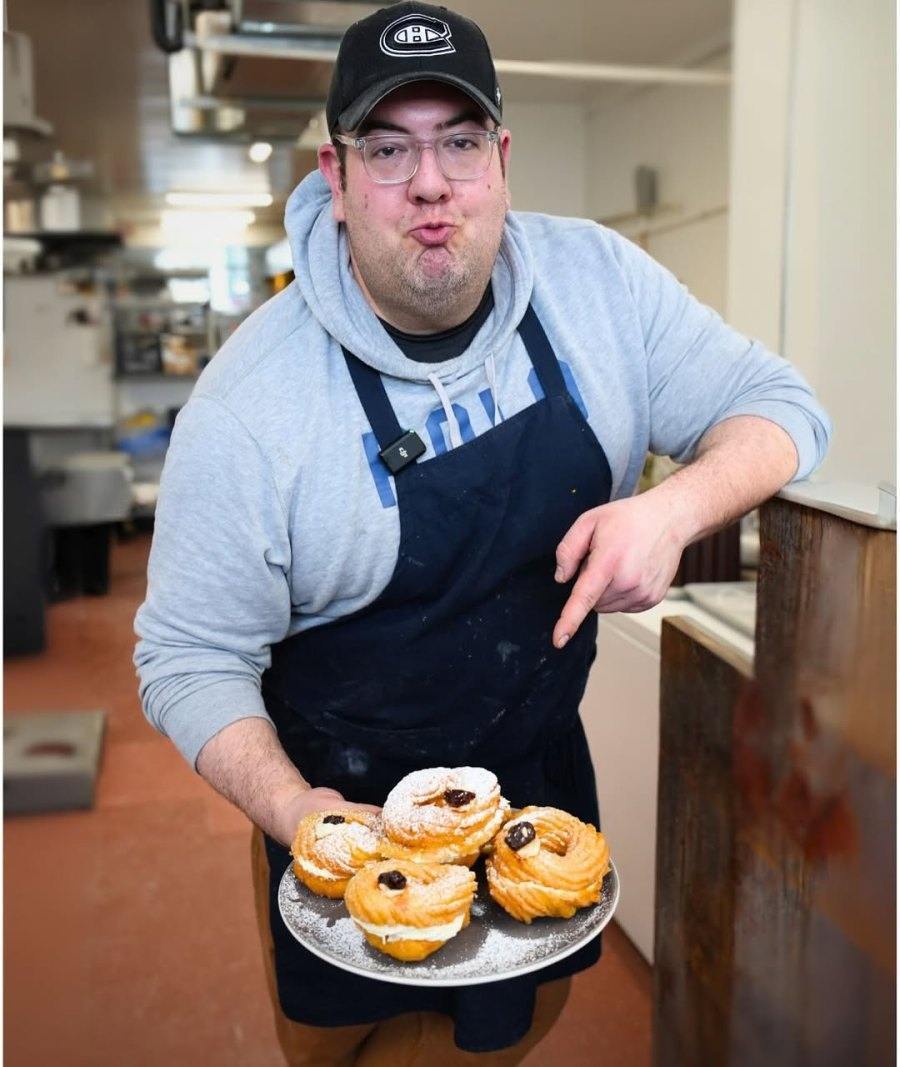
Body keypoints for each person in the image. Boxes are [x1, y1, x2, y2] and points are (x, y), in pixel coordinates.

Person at [134, 2, 831, 1062]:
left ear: (501, 157)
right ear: (335, 172)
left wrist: (673, 504)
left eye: (460, 141)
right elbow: (188, 656)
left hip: (533, 775)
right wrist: (296, 812)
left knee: (515, 1033)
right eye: (387, 148)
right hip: (341, 815)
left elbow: (783, 408)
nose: (430, 183)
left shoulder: (599, 289)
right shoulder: (250, 407)